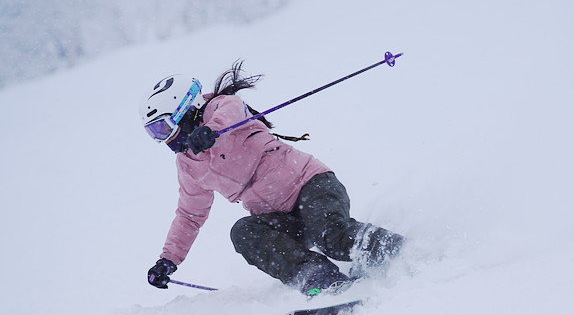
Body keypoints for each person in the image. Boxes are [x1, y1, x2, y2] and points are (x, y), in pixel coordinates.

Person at [141, 61, 403, 296]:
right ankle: (320, 279)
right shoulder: (189, 164)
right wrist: (169, 259)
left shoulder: (220, 109)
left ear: (186, 109)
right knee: (243, 232)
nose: (164, 139)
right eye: (154, 133)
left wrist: (211, 130)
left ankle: (400, 252)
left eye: (163, 127)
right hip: (283, 218)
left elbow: (231, 110)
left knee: (331, 238)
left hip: (311, 186)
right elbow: (189, 215)